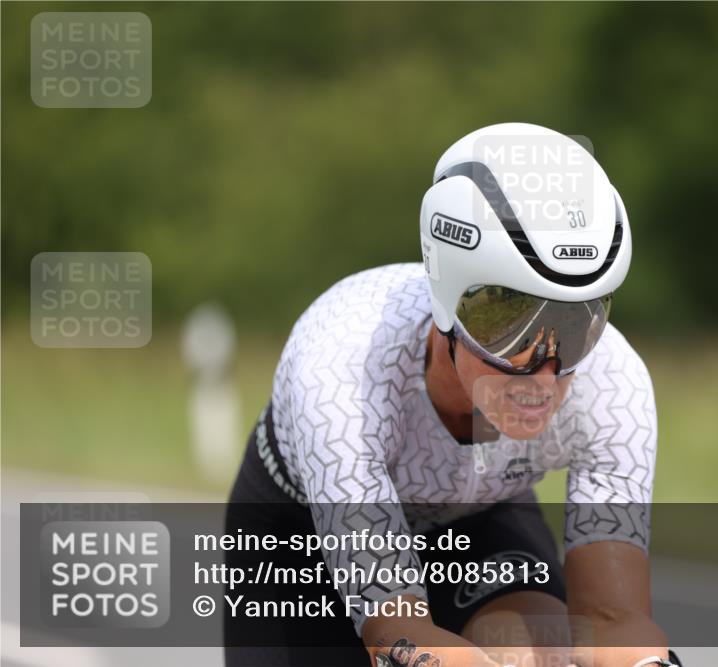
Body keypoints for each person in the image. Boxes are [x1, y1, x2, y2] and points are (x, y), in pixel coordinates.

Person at [224, 123, 679, 667]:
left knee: (543, 654)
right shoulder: (345, 368)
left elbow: (611, 620)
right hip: (301, 538)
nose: (545, 373)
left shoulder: (614, 382)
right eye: (508, 327)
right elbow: (396, 633)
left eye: (579, 325)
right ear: (448, 308)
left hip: (479, 515)